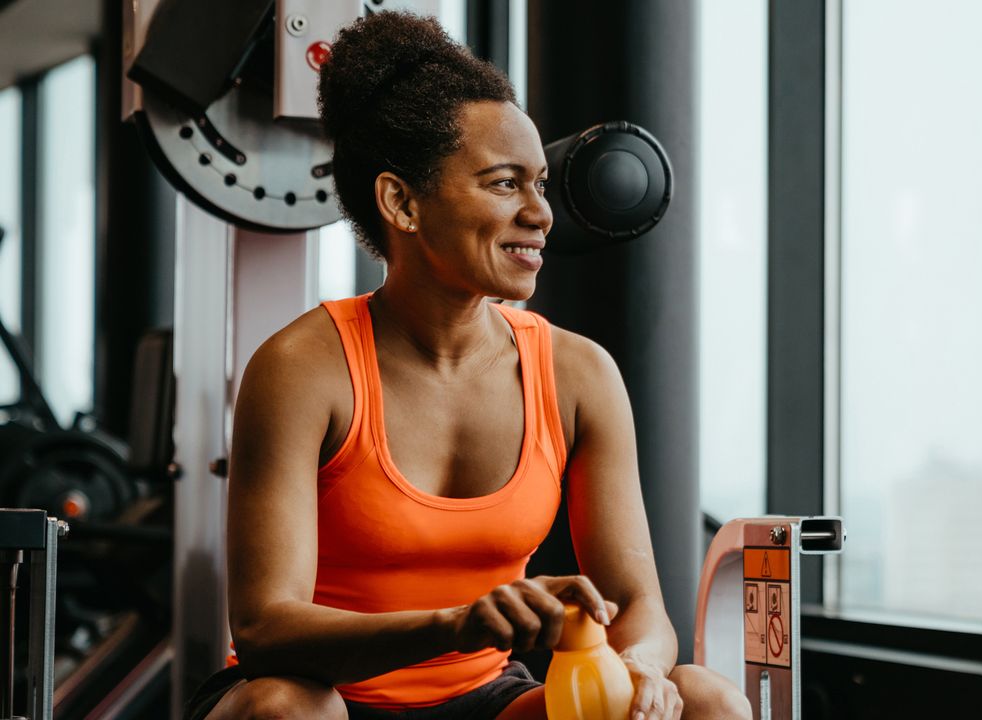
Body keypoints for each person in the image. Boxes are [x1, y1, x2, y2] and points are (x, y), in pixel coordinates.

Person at [183, 11, 751, 720]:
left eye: (540, 183)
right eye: (504, 183)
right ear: (402, 202)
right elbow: (266, 631)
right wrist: (457, 623)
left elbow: (639, 606)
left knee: (708, 702)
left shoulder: (578, 374)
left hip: (481, 699)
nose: (541, 213)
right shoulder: (302, 368)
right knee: (288, 711)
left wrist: (639, 672)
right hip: (317, 696)